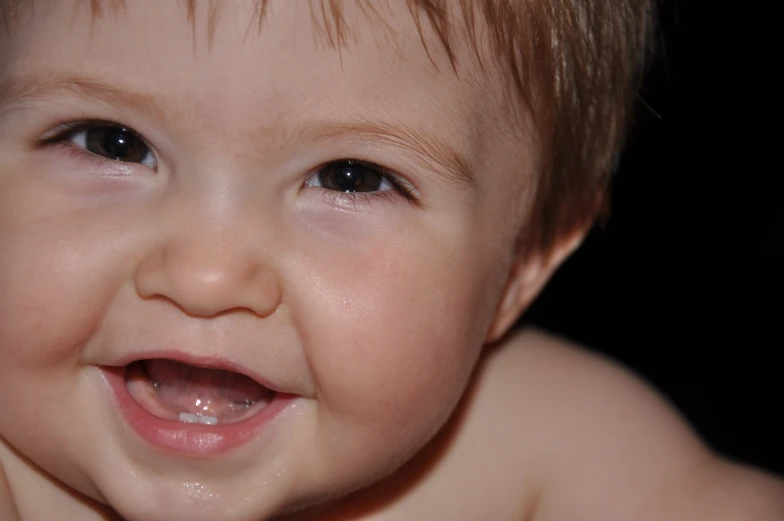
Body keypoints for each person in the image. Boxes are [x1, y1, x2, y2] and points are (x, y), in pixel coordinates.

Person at [0, 1, 781, 520]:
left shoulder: (536, 438)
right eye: (111, 142)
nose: (206, 275)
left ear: (518, 268)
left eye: (351, 177)